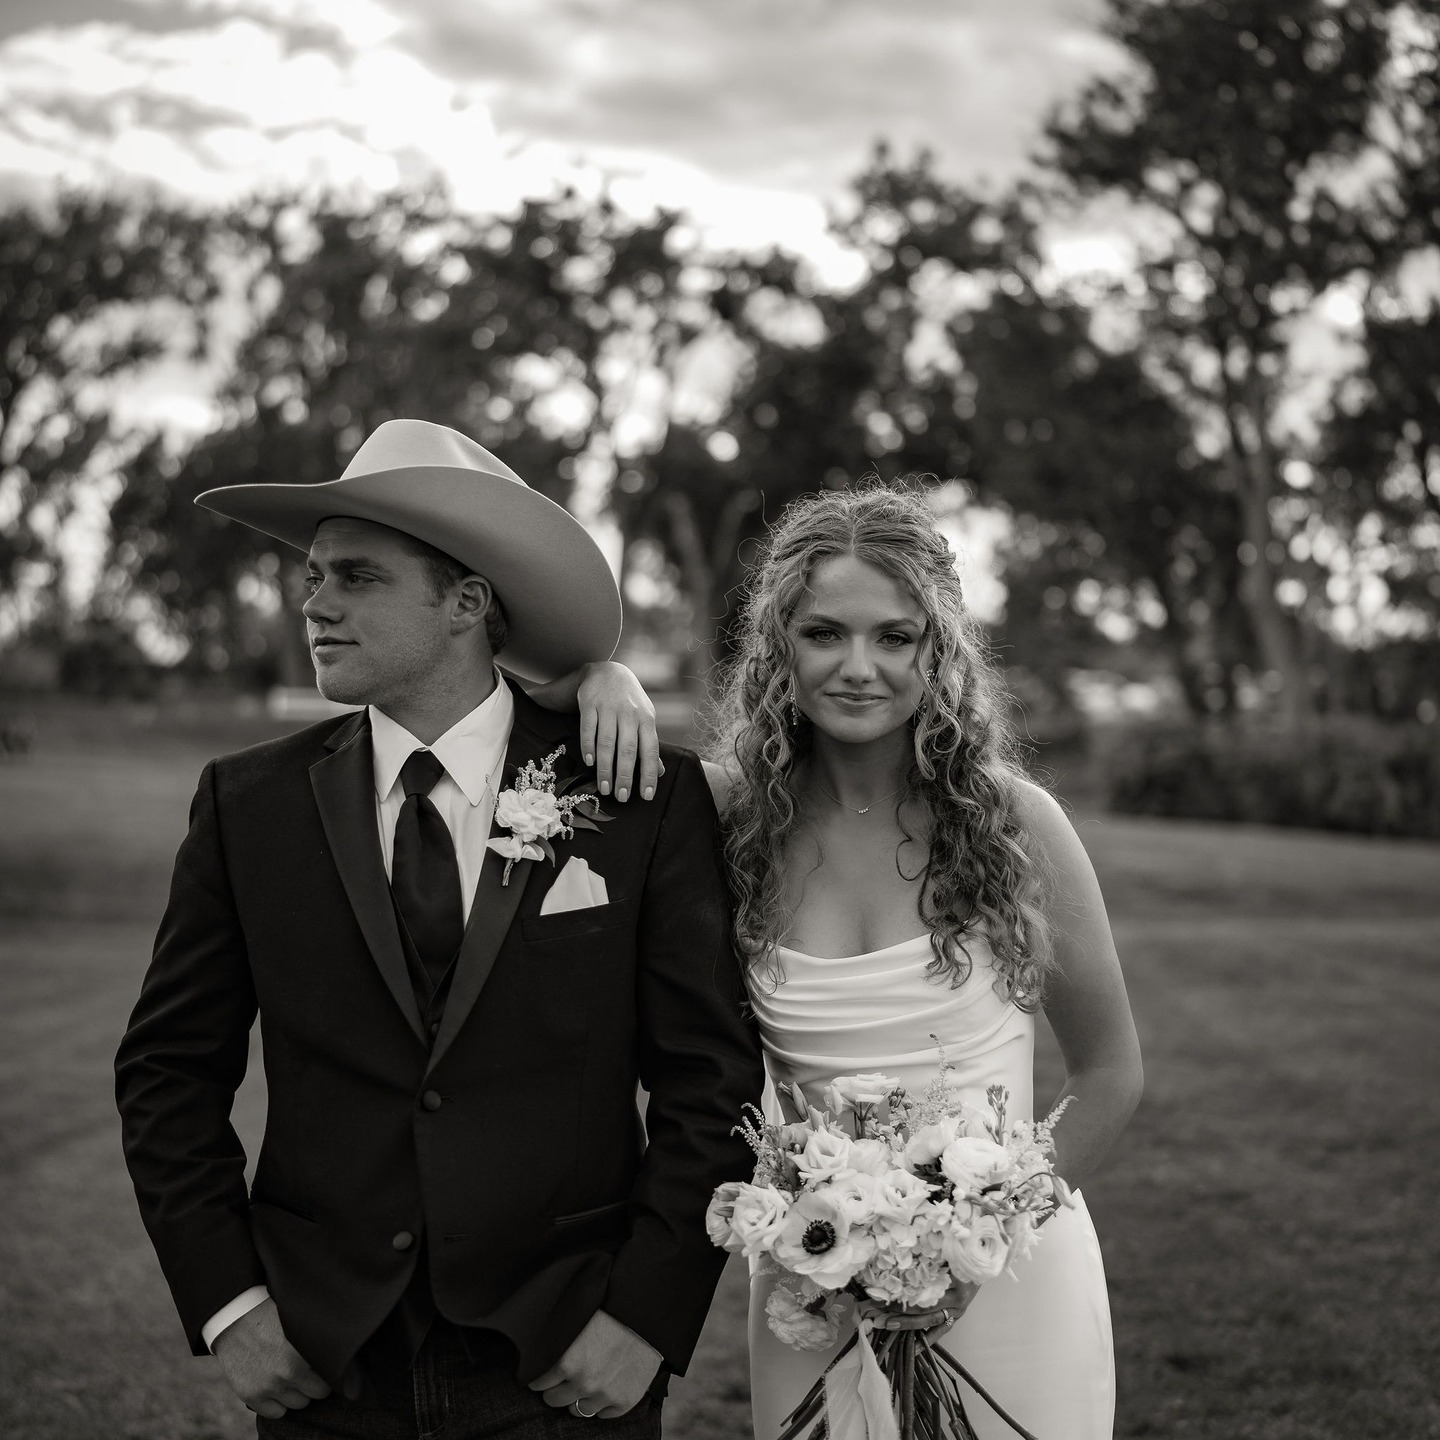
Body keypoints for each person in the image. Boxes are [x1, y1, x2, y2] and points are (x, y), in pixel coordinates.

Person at [114, 418, 766, 1439]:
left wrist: (645, 1316)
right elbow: (167, 1075)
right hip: (326, 1365)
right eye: (314, 576)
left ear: (465, 601)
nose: (315, 604)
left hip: (567, 1361)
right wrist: (230, 1306)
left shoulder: (638, 796)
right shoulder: (247, 806)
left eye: (357, 577)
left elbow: (710, 1081)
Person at [699, 484, 1144, 1440]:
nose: (859, 667)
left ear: (936, 651)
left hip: (1010, 1277)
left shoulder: (1015, 825)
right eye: (824, 633)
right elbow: (548, 716)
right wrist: (602, 683)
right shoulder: (730, 823)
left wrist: (980, 1239)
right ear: (779, 645)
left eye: (894, 638)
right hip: (812, 1288)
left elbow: (1111, 1073)